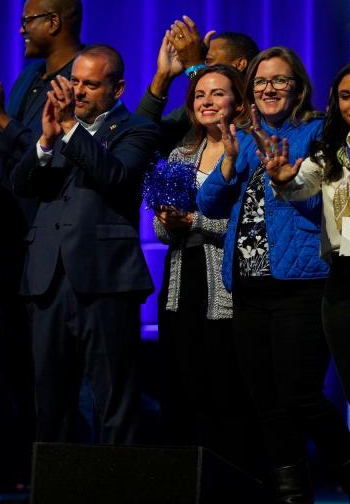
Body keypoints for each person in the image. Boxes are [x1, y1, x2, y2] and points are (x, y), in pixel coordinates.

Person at [197, 46, 350, 502]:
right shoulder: (242, 140)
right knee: (267, 403)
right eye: (261, 82)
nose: (270, 89)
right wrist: (228, 162)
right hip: (248, 289)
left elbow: (325, 207)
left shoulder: (316, 134)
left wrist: (286, 179)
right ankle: (292, 495)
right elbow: (209, 205)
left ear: (298, 87)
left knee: (300, 395)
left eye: (280, 80)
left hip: (301, 284)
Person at [12, 44, 159, 445]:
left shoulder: (136, 130)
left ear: (118, 88)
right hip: (48, 280)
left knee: (114, 401)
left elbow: (115, 176)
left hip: (105, 280)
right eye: (74, 81)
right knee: (51, 402)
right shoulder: (57, 129)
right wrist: (44, 142)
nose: (78, 91)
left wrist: (71, 130)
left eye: (91, 85)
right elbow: (21, 186)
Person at [0, 0, 84, 470]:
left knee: (56, 369)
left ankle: (68, 470)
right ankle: (37, 468)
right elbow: (12, 151)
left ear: (54, 23)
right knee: (17, 362)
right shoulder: (26, 79)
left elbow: (58, 157)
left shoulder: (81, 79)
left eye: (29, 19)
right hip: (12, 239)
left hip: (53, 244)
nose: (21, 29)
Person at [261, 58, 350, 501]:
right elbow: (300, 185)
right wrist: (283, 180)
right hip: (345, 282)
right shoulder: (330, 151)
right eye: (344, 96)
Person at [151, 64, 261, 476]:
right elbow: (162, 231)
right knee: (186, 388)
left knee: (228, 391)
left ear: (238, 102)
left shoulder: (250, 150)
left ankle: (239, 481)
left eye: (218, 93)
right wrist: (170, 219)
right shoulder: (179, 154)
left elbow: (249, 224)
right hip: (182, 283)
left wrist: (194, 221)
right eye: (199, 95)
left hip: (230, 286)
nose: (208, 102)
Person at [136, 15, 258, 151]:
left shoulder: (258, 106)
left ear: (239, 64)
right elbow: (138, 138)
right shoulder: (199, 109)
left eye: (208, 61)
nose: (204, 68)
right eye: (202, 62)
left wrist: (195, 66)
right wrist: (163, 76)